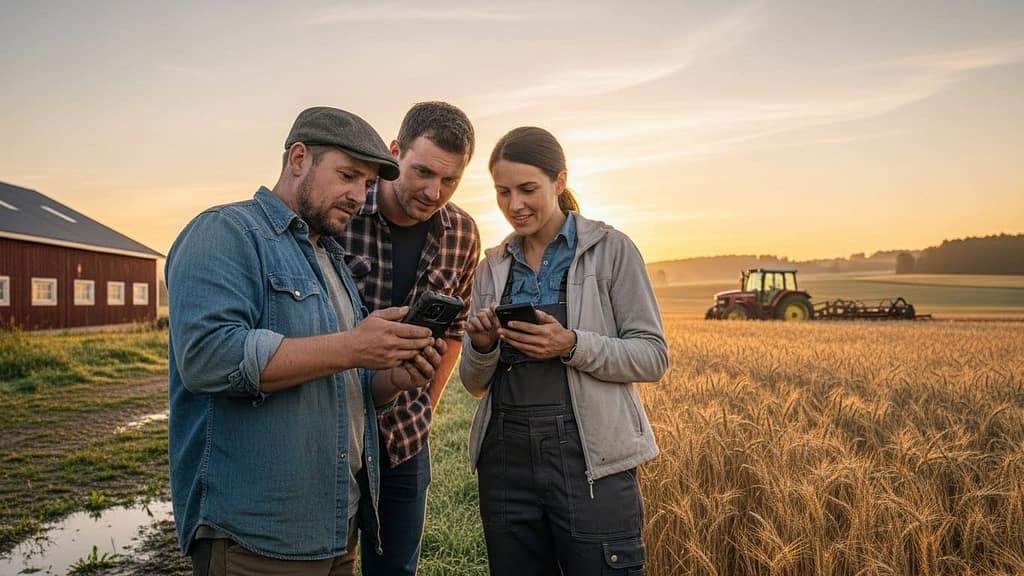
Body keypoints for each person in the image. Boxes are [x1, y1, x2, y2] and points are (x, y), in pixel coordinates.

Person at [167, 106, 446, 576]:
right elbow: (209, 357)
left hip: (339, 530)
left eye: (367, 183)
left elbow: (341, 385)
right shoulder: (225, 232)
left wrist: (392, 377)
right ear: (298, 159)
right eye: (348, 175)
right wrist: (354, 346)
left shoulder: (330, 257)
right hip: (257, 540)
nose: (359, 195)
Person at [460, 126, 668, 575]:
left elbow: (652, 356)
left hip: (592, 462)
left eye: (528, 189)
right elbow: (474, 385)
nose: (515, 205)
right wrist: (480, 346)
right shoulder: (492, 267)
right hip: (505, 463)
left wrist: (571, 344)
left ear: (559, 181)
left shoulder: (610, 251)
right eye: (502, 192)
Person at [337, 101, 479, 575]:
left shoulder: (462, 232)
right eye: (421, 171)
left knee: (395, 570)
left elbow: (455, 332)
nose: (433, 191)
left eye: (450, 180)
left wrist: (426, 403)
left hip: (405, 439)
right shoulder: (344, 209)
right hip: (329, 429)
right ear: (395, 151)